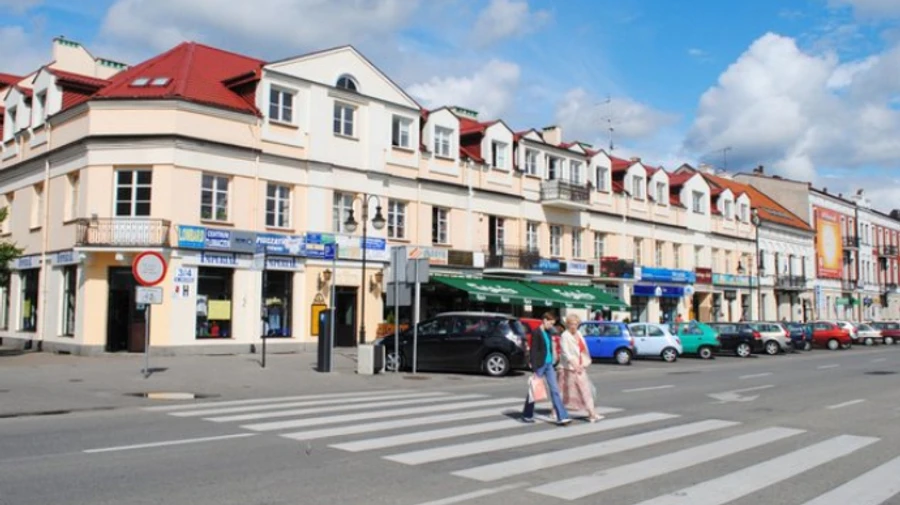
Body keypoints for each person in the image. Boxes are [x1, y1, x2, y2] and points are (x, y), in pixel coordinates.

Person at [522, 312, 572, 426]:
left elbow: (549, 348)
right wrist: (534, 367)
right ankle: (527, 414)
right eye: (550, 323)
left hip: (549, 365)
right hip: (540, 365)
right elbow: (534, 350)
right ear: (544, 320)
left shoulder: (548, 332)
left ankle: (562, 416)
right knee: (534, 389)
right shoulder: (536, 333)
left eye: (553, 323)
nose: (551, 325)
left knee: (554, 390)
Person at [557, 314, 602, 422]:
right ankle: (555, 411)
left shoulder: (579, 334)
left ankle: (592, 413)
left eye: (576, 324)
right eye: (571, 324)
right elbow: (565, 353)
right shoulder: (565, 336)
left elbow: (583, 349)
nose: (574, 326)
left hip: (580, 368)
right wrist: (574, 364)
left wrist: (584, 363)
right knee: (563, 391)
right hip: (568, 368)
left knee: (585, 390)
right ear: (567, 324)